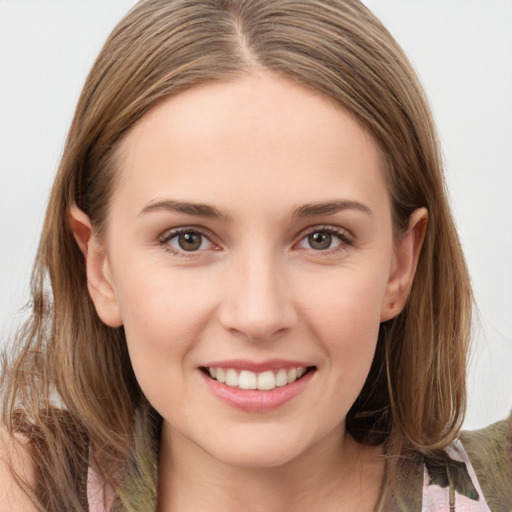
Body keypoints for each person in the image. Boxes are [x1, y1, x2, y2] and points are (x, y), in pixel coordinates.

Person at [1, 0, 510, 510]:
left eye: (322, 238)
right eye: (188, 239)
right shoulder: (23, 486)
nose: (258, 315)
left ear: (400, 266)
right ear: (101, 268)